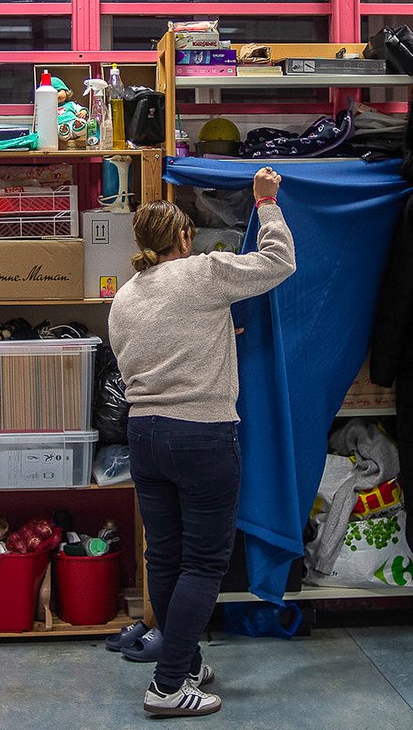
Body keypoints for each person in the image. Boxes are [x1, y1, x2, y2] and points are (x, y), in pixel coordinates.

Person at [108, 167, 296, 718]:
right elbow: (279, 262)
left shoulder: (125, 297)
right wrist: (266, 204)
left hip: (144, 435)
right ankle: (168, 687)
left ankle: (183, 662)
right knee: (204, 562)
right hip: (200, 434)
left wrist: (213, 335)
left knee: (165, 558)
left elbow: (153, 352)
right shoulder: (202, 273)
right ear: (184, 238)